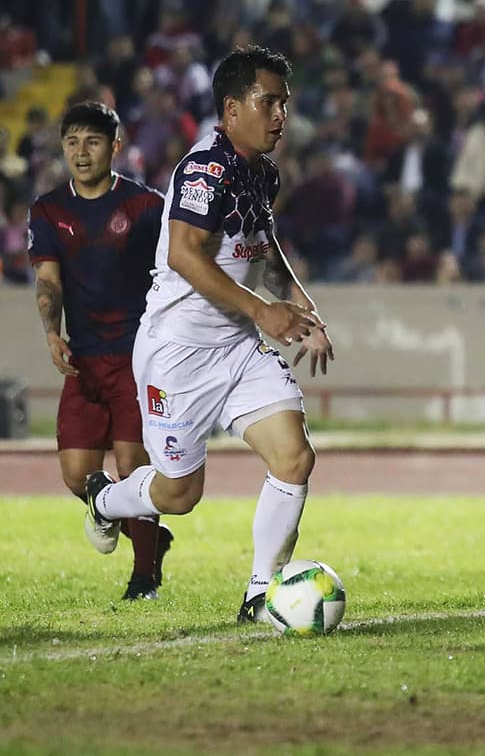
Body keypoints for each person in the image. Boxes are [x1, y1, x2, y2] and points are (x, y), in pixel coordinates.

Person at [83, 45, 334, 623]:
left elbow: (263, 248)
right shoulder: (205, 168)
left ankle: (261, 595)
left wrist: (303, 308)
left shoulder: (262, 171)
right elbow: (184, 255)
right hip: (178, 354)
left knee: (294, 457)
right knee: (180, 495)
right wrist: (264, 311)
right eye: (268, 102)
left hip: (237, 348)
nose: (280, 115)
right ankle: (105, 499)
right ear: (232, 107)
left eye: (284, 103)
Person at [27, 101, 172, 601]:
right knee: (77, 477)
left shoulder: (147, 207)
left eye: (92, 141)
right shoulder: (49, 210)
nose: (81, 152)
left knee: (134, 466)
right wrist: (52, 333)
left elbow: (179, 267)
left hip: (138, 358)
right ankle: (148, 535)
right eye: (72, 142)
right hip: (84, 361)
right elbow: (49, 281)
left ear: (115, 147)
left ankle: (144, 578)